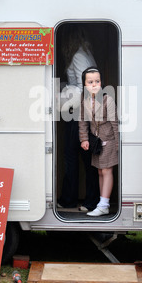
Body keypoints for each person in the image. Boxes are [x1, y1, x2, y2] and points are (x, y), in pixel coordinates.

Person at [58, 27, 100, 211]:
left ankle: (71, 199)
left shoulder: (78, 56)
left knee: (72, 156)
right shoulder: (86, 53)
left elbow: (85, 86)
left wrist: (63, 95)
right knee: (85, 157)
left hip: (78, 112)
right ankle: (90, 199)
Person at [79, 67, 118, 216]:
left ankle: (104, 204)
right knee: (100, 171)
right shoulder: (85, 100)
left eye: (97, 81)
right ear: (84, 84)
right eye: (90, 82)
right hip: (96, 143)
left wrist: (116, 144)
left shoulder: (108, 99)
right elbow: (82, 121)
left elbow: (115, 122)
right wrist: (84, 139)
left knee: (107, 170)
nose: (94, 84)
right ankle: (103, 204)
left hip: (108, 139)